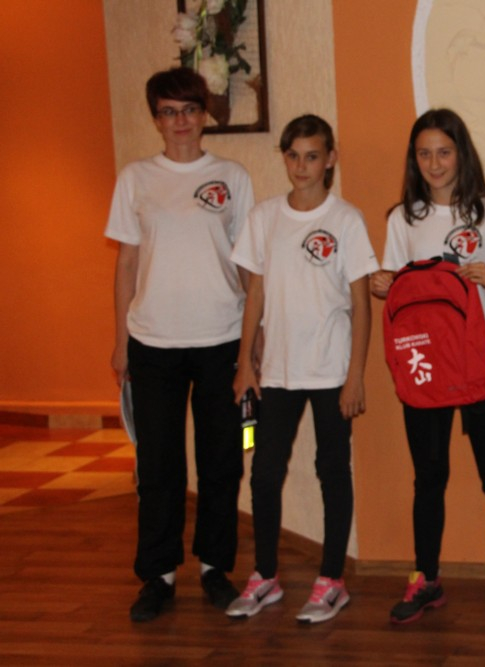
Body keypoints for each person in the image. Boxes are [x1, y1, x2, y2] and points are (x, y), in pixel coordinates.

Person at [106, 68, 254, 622]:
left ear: (203, 114)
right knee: (158, 467)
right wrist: (120, 341)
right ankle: (158, 575)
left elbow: (249, 265)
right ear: (156, 120)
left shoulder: (232, 176)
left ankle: (215, 568)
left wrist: (255, 341)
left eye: (189, 110)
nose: (181, 122)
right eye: (169, 112)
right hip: (153, 342)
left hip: (222, 338)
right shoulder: (136, 178)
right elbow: (126, 263)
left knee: (223, 462)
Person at [371, 108, 485, 633]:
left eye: (444, 151)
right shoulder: (403, 218)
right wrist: (383, 283)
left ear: (462, 154)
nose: (434, 163)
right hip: (423, 370)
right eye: (424, 153)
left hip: (484, 365)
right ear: (413, 159)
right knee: (428, 479)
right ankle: (426, 578)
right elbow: (395, 287)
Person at [225, 114, 378, 624]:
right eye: (293, 156)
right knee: (264, 471)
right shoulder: (265, 217)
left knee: (332, 470)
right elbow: (255, 294)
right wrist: (245, 364)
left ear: (330, 159)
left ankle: (332, 580)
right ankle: (265, 575)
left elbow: (361, 305)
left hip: (332, 370)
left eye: (312, 156)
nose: (301, 166)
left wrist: (355, 375)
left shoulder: (346, 220)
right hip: (277, 371)